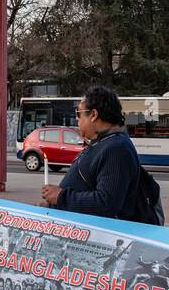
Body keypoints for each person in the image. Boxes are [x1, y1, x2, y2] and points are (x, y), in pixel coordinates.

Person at [40, 86, 146, 222]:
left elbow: (106, 203)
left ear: (94, 115)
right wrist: (52, 203)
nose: (76, 119)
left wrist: (61, 197)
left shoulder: (116, 148)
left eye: (78, 113)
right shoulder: (103, 142)